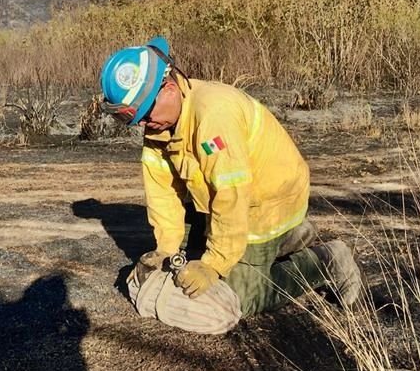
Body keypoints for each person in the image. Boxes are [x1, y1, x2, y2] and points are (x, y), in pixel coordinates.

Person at [100, 36, 362, 335]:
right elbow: (163, 193)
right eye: (132, 119)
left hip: (267, 204)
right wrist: (166, 248)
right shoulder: (160, 127)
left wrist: (214, 264)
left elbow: (231, 194)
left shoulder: (214, 116)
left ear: (169, 89)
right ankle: (291, 238)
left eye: (145, 114)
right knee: (188, 253)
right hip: (223, 199)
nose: (142, 125)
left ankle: (327, 260)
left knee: (242, 296)